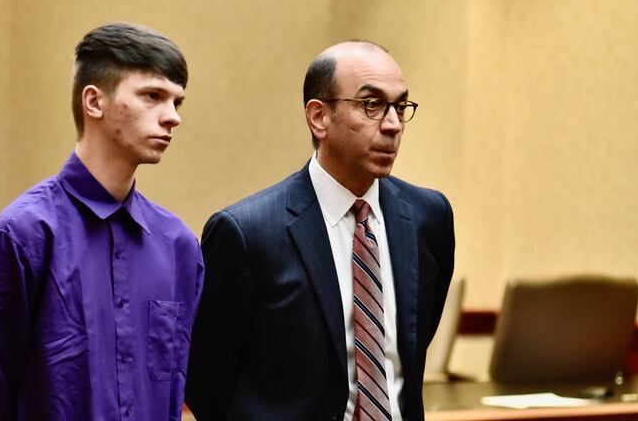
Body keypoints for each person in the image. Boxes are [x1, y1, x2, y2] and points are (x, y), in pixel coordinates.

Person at [185, 41, 455, 421]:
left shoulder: (429, 216)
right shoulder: (247, 232)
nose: (393, 125)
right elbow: (207, 385)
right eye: (372, 105)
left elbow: (413, 346)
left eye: (400, 107)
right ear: (319, 117)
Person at [0, 22, 204, 421]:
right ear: (94, 102)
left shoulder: (179, 246)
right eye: (153, 96)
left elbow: (173, 390)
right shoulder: (19, 238)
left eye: (177, 102)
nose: (172, 117)